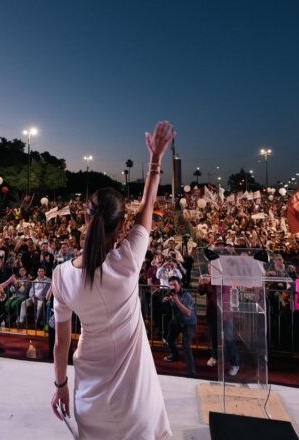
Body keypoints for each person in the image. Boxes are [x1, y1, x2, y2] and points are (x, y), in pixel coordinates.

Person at [50, 121, 175, 439]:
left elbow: (61, 343)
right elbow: (147, 206)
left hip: (90, 390)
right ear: (121, 228)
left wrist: (61, 385)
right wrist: (156, 161)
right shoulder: (128, 260)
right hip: (135, 395)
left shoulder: (61, 276)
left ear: (85, 216)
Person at [162, 276, 197, 376]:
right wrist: (166, 301)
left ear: (179, 285)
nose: (172, 286)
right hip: (177, 320)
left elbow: (188, 313)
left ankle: (192, 372)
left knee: (186, 346)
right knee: (169, 339)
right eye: (171, 285)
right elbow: (166, 307)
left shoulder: (186, 295)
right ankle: (175, 355)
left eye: (175, 284)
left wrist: (176, 301)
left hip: (189, 322)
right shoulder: (170, 293)